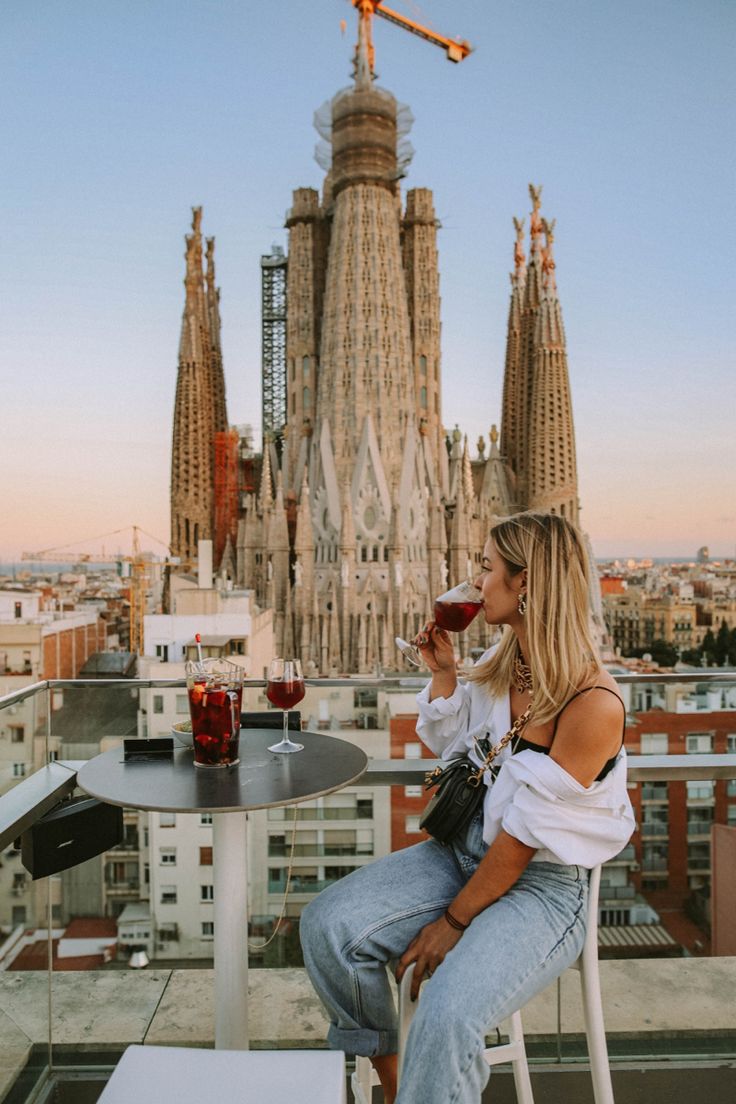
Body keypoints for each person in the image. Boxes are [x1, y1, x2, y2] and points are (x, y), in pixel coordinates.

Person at [300, 512, 635, 1104]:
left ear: (527, 582)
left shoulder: (594, 704)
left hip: (541, 888)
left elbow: (523, 841)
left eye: (486, 568)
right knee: (328, 926)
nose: (475, 583)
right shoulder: (506, 669)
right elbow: (454, 746)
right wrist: (446, 674)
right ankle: (397, 1076)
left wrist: (450, 925)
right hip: (461, 853)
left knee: (448, 1010)